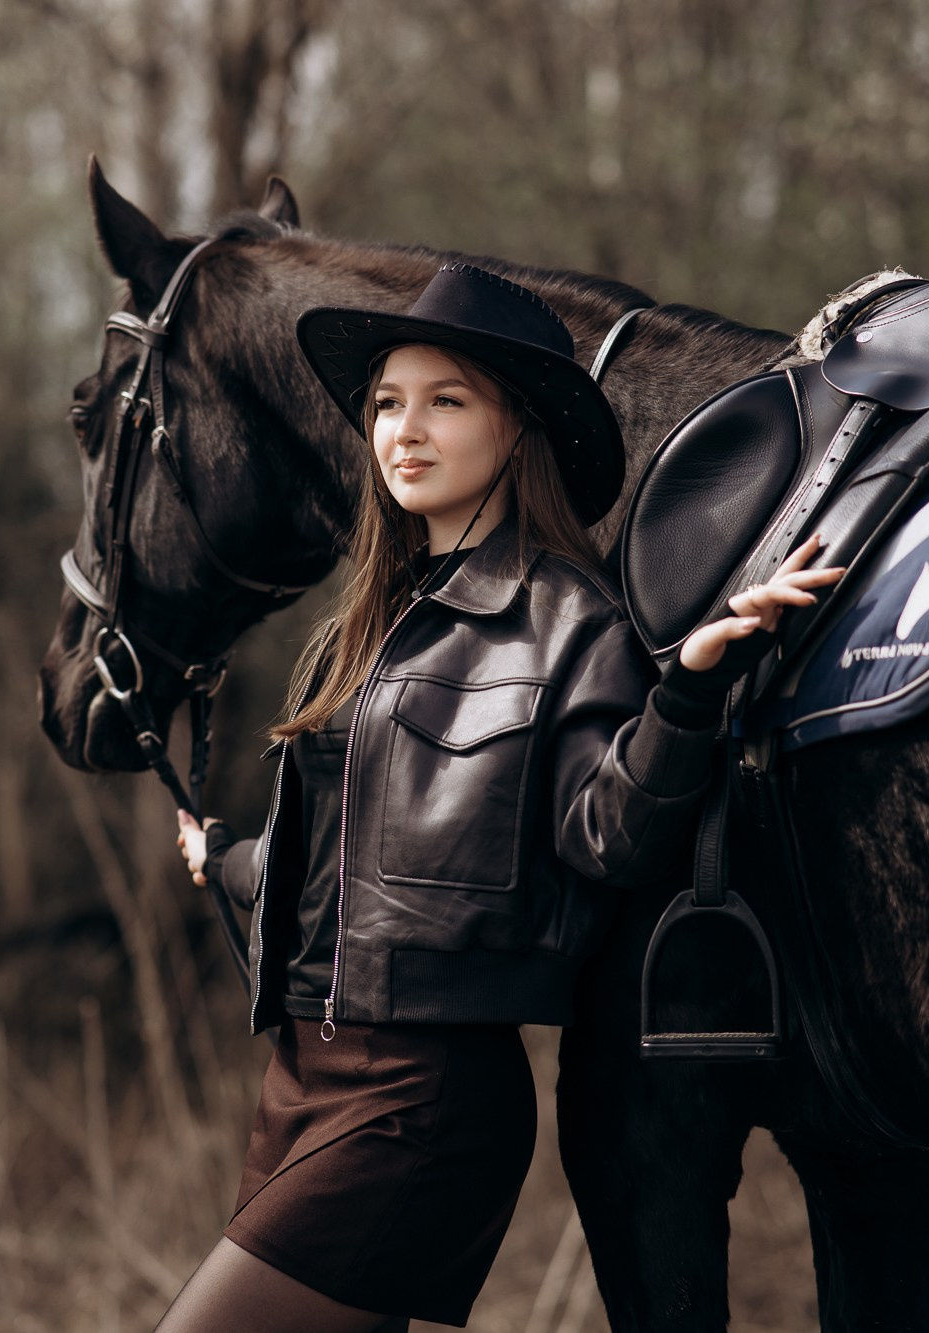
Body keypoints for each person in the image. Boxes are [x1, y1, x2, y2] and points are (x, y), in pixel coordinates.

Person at [160, 263, 841, 1332]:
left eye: (445, 399)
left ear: (516, 428)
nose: (403, 429)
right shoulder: (372, 628)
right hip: (303, 1077)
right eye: (386, 402)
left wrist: (688, 690)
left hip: (416, 1096)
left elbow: (607, 835)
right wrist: (232, 854)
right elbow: (355, 856)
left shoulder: (567, 620)